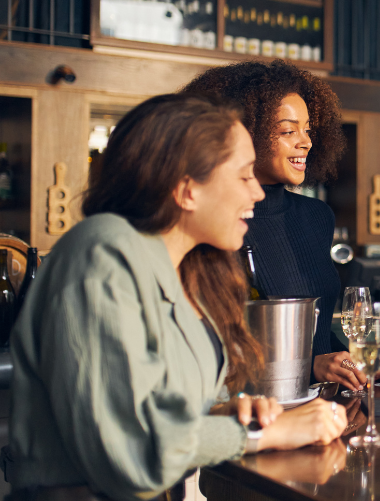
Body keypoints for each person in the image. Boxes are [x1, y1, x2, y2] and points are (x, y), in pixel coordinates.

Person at [3, 94, 347, 500]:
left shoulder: (183, 268)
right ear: (187, 190)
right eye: (242, 176)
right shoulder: (101, 255)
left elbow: (161, 409)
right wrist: (268, 430)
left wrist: (224, 410)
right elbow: (128, 453)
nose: (256, 192)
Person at [182, 61, 380, 392]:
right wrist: (310, 366)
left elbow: (316, 332)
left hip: (318, 406)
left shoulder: (316, 216)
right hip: (258, 410)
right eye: (288, 131)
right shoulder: (215, 223)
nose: (305, 142)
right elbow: (217, 349)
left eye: (308, 130)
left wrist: (350, 364)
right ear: (244, 134)